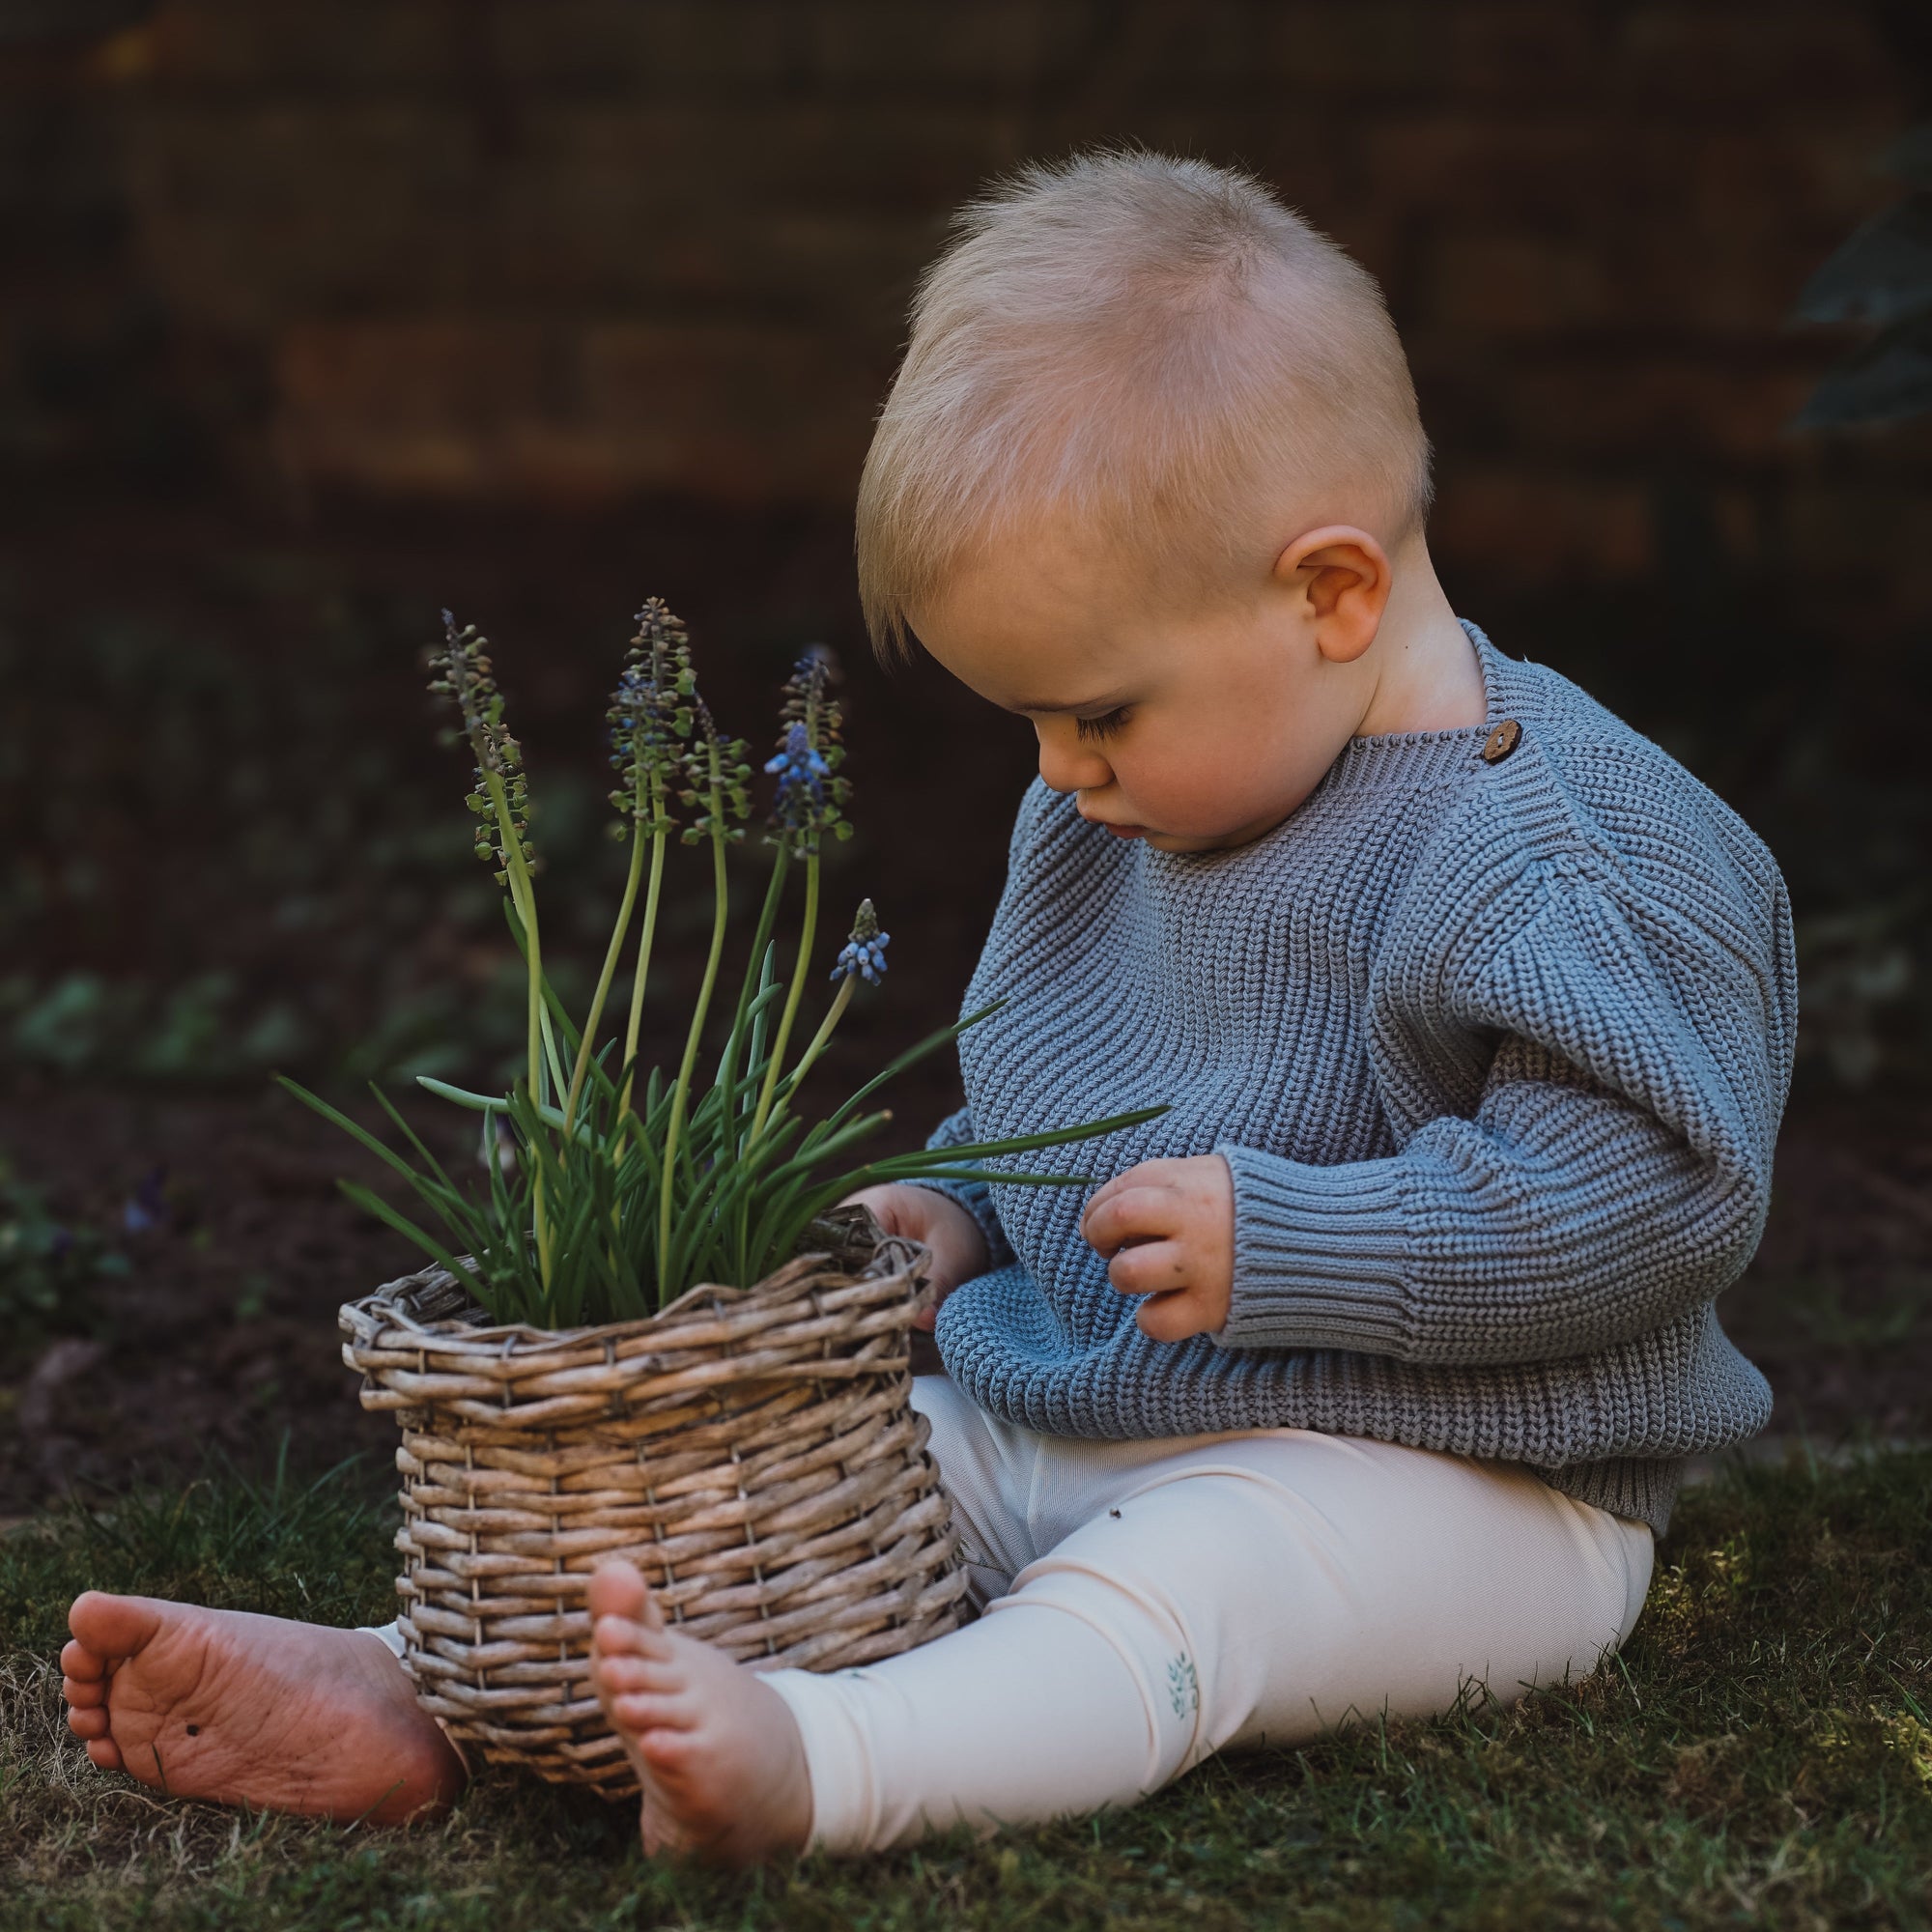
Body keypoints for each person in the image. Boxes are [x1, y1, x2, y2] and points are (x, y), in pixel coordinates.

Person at [61, 151, 1793, 1862]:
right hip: (1074, 1408)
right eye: (1028, 719)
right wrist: (964, 1209)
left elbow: (1649, 1201)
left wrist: (1299, 1244)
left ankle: (830, 1767)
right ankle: (424, 1686)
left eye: (1099, 712)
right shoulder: (1134, 798)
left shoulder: (1559, 852)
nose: (1058, 770)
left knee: (1188, 1593)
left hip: (1444, 1482)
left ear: (1330, 593)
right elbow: (1068, 1079)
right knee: (806, 1482)